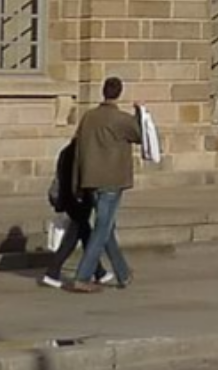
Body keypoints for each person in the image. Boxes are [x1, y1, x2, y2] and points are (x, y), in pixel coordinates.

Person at [68, 76, 141, 293]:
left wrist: (78, 182)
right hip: (111, 181)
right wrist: (140, 113)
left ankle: (123, 273)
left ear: (103, 91)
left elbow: (78, 150)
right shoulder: (121, 119)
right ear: (119, 93)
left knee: (106, 227)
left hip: (91, 180)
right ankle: (82, 276)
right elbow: (140, 134)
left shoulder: (88, 117)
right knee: (103, 228)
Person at [39, 139, 113, 288]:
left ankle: (99, 272)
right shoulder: (80, 154)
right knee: (73, 237)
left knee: (85, 234)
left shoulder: (67, 151)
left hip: (71, 199)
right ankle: (52, 272)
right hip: (78, 199)